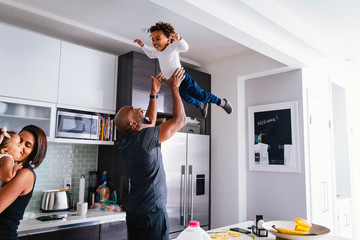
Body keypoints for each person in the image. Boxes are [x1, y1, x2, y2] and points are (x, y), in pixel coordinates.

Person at [114, 67, 186, 240]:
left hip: (135, 211)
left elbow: (149, 122)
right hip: (152, 212)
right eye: (134, 109)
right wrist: (175, 88)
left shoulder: (125, 142)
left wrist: (154, 93)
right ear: (132, 123)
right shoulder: (144, 138)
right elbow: (180, 120)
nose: (139, 109)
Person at [134, 21, 233, 118]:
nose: (154, 42)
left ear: (168, 40)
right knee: (187, 98)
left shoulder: (172, 47)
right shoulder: (158, 53)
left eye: (157, 39)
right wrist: (142, 45)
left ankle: (222, 102)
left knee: (202, 96)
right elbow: (150, 55)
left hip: (183, 79)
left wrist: (179, 39)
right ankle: (201, 105)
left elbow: (185, 48)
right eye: (153, 40)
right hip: (175, 83)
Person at [0, 125, 47, 240]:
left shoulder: (25, 174)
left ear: (33, 152)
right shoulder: (7, 164)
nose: (20, 146)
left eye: (27, 145)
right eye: (20, 141)